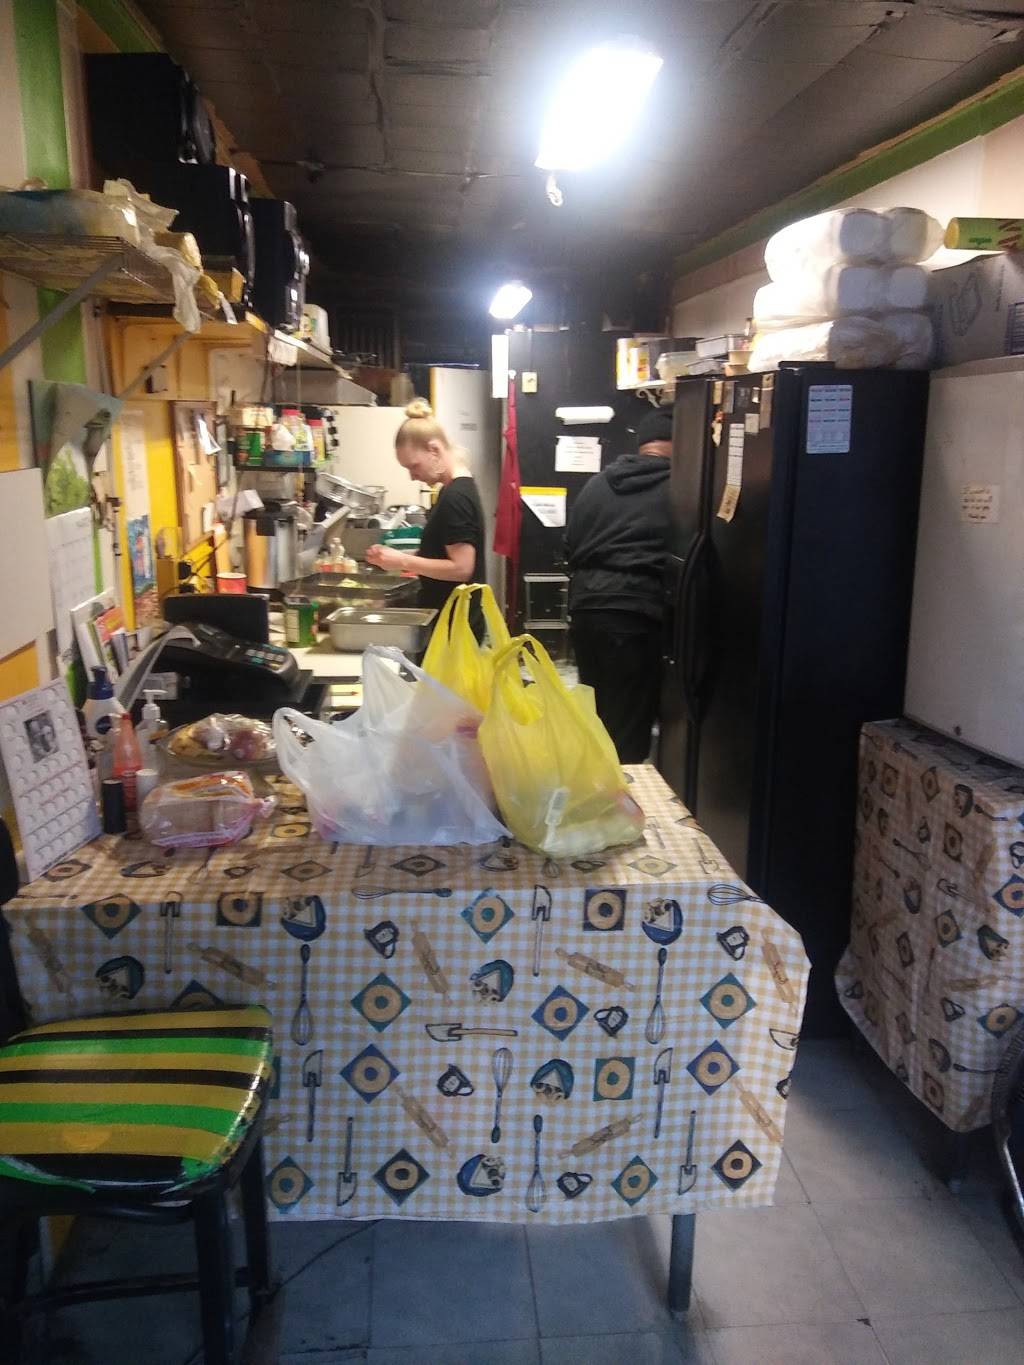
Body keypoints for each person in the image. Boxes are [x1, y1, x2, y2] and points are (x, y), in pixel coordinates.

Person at [565, 407, 673, 763]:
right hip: (637, 614)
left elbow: (570, 545)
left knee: (596, 718)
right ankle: (620, 794)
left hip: (586, 611)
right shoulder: (680, 488)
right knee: (628, 731)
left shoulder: (597, 484)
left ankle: (594, 788)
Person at [366, 399, 485, 617]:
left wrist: (402, 560)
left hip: (454, 625)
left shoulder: (456, 497)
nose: (412, 476)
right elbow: (439, 554)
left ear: (434, 450)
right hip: (450, 620)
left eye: (414, 466)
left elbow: (462, 568)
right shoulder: (453, 489)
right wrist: (393, 557)